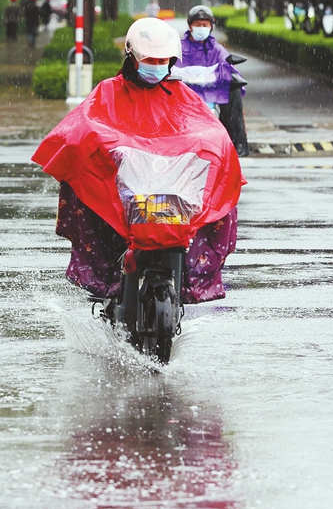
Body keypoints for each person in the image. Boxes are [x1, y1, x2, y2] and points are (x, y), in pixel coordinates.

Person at [31, 18, 243, 304]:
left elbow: (209, 131)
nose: (156, 65)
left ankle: (189, 284)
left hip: (174, 192)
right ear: (132, 57)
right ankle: (109, 282)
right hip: (126, 193)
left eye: (162, 60)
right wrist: (109, 145)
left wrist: (213, 147)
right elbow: (84, 127)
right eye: (150, 59)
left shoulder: (182, 96)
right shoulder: (108, 92)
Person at [174, 5, 249, 156]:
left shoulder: (217, 49)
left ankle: (237, 142)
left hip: (213, 92)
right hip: (185, 93)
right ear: (190, 26)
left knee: (233, 91)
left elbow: (228, 67)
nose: (201, 28)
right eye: (197, 25)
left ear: (211, 27)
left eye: (204, 25)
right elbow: (170, 68)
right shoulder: (179, 48)